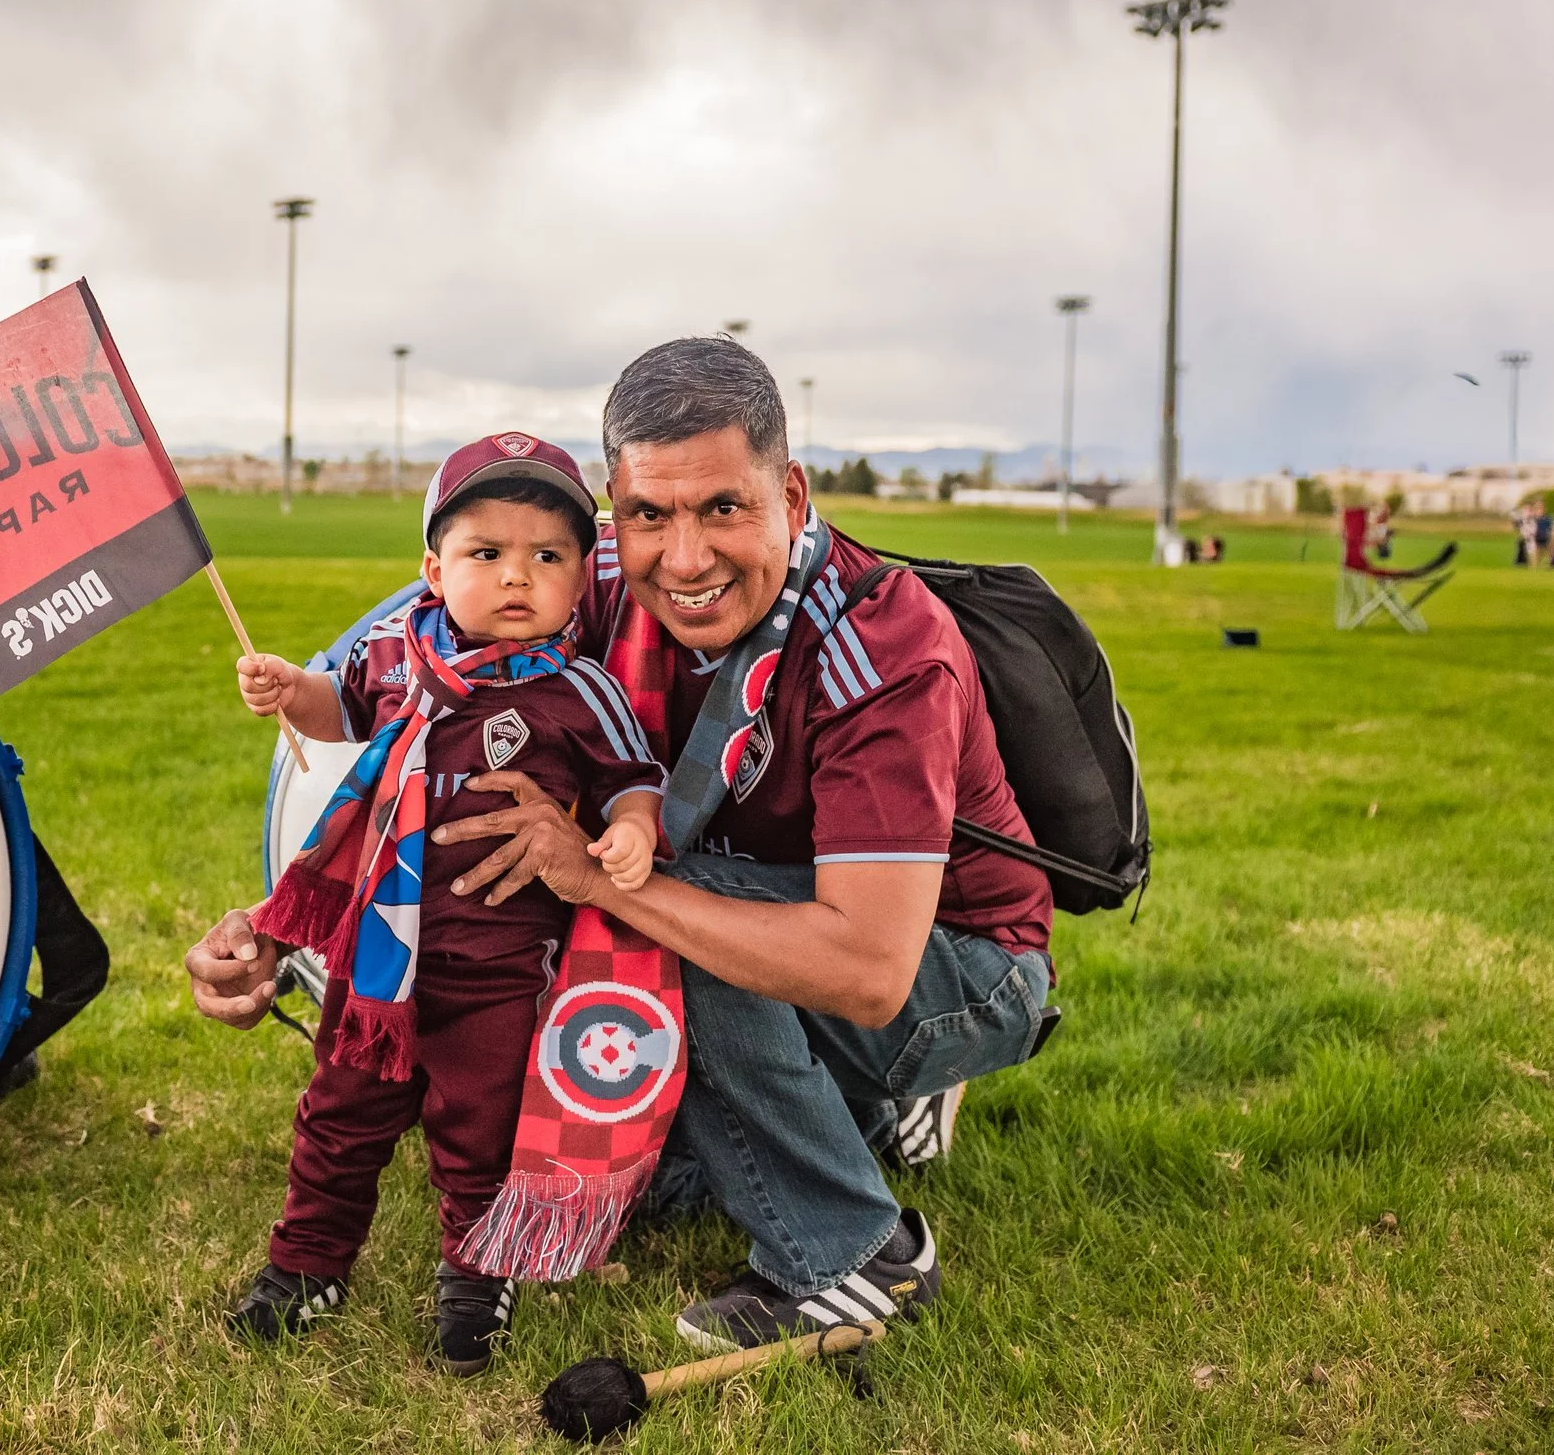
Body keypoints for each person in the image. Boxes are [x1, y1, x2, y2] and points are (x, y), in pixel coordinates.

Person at [189, 336, 1058, 1355]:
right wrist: (275, 931)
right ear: (612, 510)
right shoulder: (567, 572)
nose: (684, 559)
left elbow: (869, 972)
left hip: (953, 962)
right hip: (762, 903)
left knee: (662, 910)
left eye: (723, 508)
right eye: (649, 514)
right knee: (608, 1139)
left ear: (790, 495)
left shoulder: (881, 642)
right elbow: (403, 730)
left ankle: (854, 1255)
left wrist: (594, 879)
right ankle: (862, 1112)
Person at [223, 433, 666, 1375]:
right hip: (378, 954)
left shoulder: (579, 690)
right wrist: (290, 688)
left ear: (583, 579)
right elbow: (338, 709)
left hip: (500, 963)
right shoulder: (393, 654)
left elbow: (632, 778)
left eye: (548, 556)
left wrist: (630, 826)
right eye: (486, 552)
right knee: (341, 1113)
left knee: (482, 1130)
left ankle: (475, 1274)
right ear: (433, 568)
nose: (517, 576)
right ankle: (307, 1263)